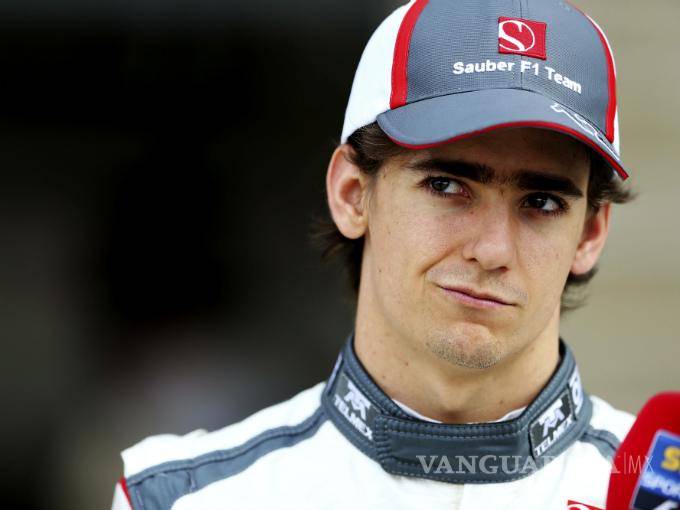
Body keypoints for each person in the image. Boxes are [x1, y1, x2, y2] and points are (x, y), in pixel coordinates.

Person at [111, 0, 637, 508]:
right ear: (351, 195)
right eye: (446, 186)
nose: (492, 250)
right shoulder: (185, 498)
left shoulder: (657, 491)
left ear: (589, 234)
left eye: (542, 202)